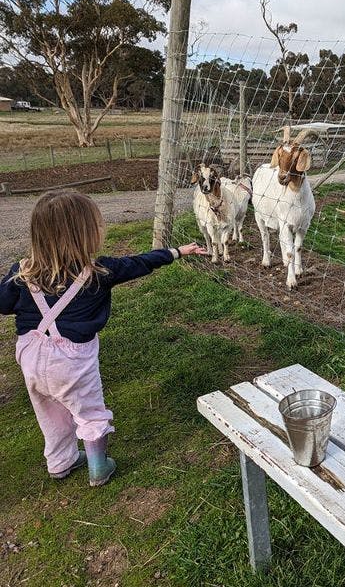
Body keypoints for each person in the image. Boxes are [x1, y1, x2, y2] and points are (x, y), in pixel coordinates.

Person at [0, 191, 205, 486]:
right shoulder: (99, 272)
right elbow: (139, 263)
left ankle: (60, 462)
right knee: (90, 411)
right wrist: (175, 252)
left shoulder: (21, 272)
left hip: (30, 356)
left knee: (49, 410)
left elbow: (3, 304)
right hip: (71, 361)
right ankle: (99, 467)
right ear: (84, 234)